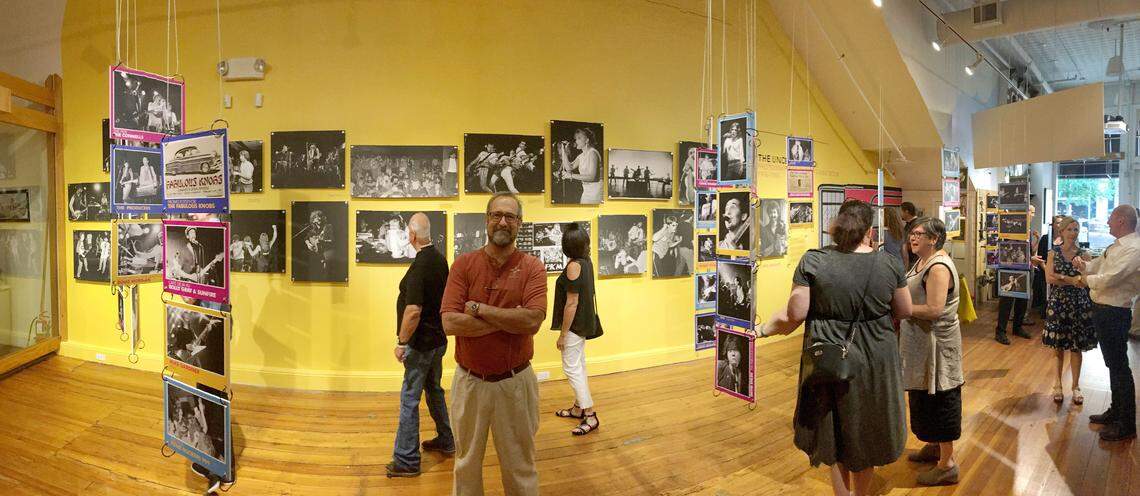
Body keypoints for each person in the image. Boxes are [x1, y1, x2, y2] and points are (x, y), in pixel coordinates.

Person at [756, 199, 912, 496]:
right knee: (867, 425)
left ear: (837, 224)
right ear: (869, 230)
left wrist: (760, 330)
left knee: (833, 425)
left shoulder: (813, 261)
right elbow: (903, 310)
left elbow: (794, 315)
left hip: (828, 353)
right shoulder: (889, 263)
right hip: (875, 355)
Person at [441, 193, 547, 496]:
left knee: (520, 466)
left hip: (516, 383)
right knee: (466, 464)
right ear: (487, 219)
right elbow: (450, 323)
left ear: (519, 223)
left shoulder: (532, 268)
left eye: (510, 216)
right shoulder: (463, 265)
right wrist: (510, 318)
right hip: (470, 382)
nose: (503, 222)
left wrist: (480, 309)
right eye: (497, 215)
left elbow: (532, 322)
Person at [386, 213, 455, 478]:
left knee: (409, 399)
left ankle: (406, 460)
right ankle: (446, 440)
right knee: (434, 390)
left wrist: (401, 343)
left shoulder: (420, 266)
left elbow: (413, 311)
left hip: (421, 344)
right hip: (438, 341)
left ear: (412, 236)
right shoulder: (439, 259)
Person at [899, 218, 963, 486]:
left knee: (940, 396)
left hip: (936, 346)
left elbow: (935, 310)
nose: (913, 238)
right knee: (925, 394)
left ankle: (947, 464)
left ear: (934, 239)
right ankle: (935, 446)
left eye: (918, 234)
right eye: (912, 233)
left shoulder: (938, 267)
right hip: (921, 345)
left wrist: (902, 309)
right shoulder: (922, 261)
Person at [1074, 205, 1140, 442]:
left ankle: (1126, 423)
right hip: (1104, 311)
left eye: (1111, 218)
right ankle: (1116, 411)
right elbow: (1099, 267)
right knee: (1113, 364)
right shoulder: (1117, 246)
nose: (1108, 222)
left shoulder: (1133, 248)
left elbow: (1112, 278)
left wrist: (1084, 278)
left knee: (1119, 367)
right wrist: (1084, 266)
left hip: (1114, 312)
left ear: (1122, 220)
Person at [551, 223, 603, 436]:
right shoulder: (586, 262)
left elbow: (571, 303)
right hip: (584, 323)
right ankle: (578, 408)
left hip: (574, 326)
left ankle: (590, 415)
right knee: (579, 366)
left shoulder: (573, 266)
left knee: (572, 368)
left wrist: (563, 334)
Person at [1041, 216, 1096, 405]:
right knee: (1057, 346)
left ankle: (1075, 386)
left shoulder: (1084, 254)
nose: (1074, 233)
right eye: (1070, 229)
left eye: (1076, 229)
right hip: (1059, 302)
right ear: (1062, 232)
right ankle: (1057, 384)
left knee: (1076, 347)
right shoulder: (1053, 253)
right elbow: (1049, 278)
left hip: (1079, 303)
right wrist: (1070, 279)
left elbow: (1085, 280)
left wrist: (1063, 276)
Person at [995, 206, 1037, 344]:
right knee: (1007, 301)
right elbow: (1004, 249)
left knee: (1023, 300)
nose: (1032, 215)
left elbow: (1029, 252)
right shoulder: (1011, 230)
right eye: (1031, 212)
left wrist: (1032, 259)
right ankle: (1000, 331)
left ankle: (1017, 327)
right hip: (1011, 269)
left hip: (1026, 269)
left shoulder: (1029, 230)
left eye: (1033, 213)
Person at [556, 128, 602, 204]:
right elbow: (569, 167)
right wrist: (563, 150)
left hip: (596, 192)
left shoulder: (592, 153)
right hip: (586, 191)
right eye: (576, 139)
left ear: (587, 140)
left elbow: (592, 177)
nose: (576, 141)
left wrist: (571, 176)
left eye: (579, 138)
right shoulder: (581, 156)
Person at [900, 202, 918, 269]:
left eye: (901, 211)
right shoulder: (909, 224)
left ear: (906, 212)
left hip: (913, 260)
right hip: (909, 259)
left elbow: (916, 242)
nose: (900, 214)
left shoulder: (916, 224)